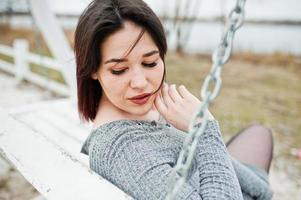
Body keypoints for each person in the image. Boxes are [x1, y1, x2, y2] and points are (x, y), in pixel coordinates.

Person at [76, 0, 274, 199]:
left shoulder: (150, 109)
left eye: (150, 63)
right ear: (93, 69)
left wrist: (260, 188)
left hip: (212, 180)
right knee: (259, 135)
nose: (140, 83)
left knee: (259, 134)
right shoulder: (121, 151)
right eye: (119, 70)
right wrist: (204, 129)